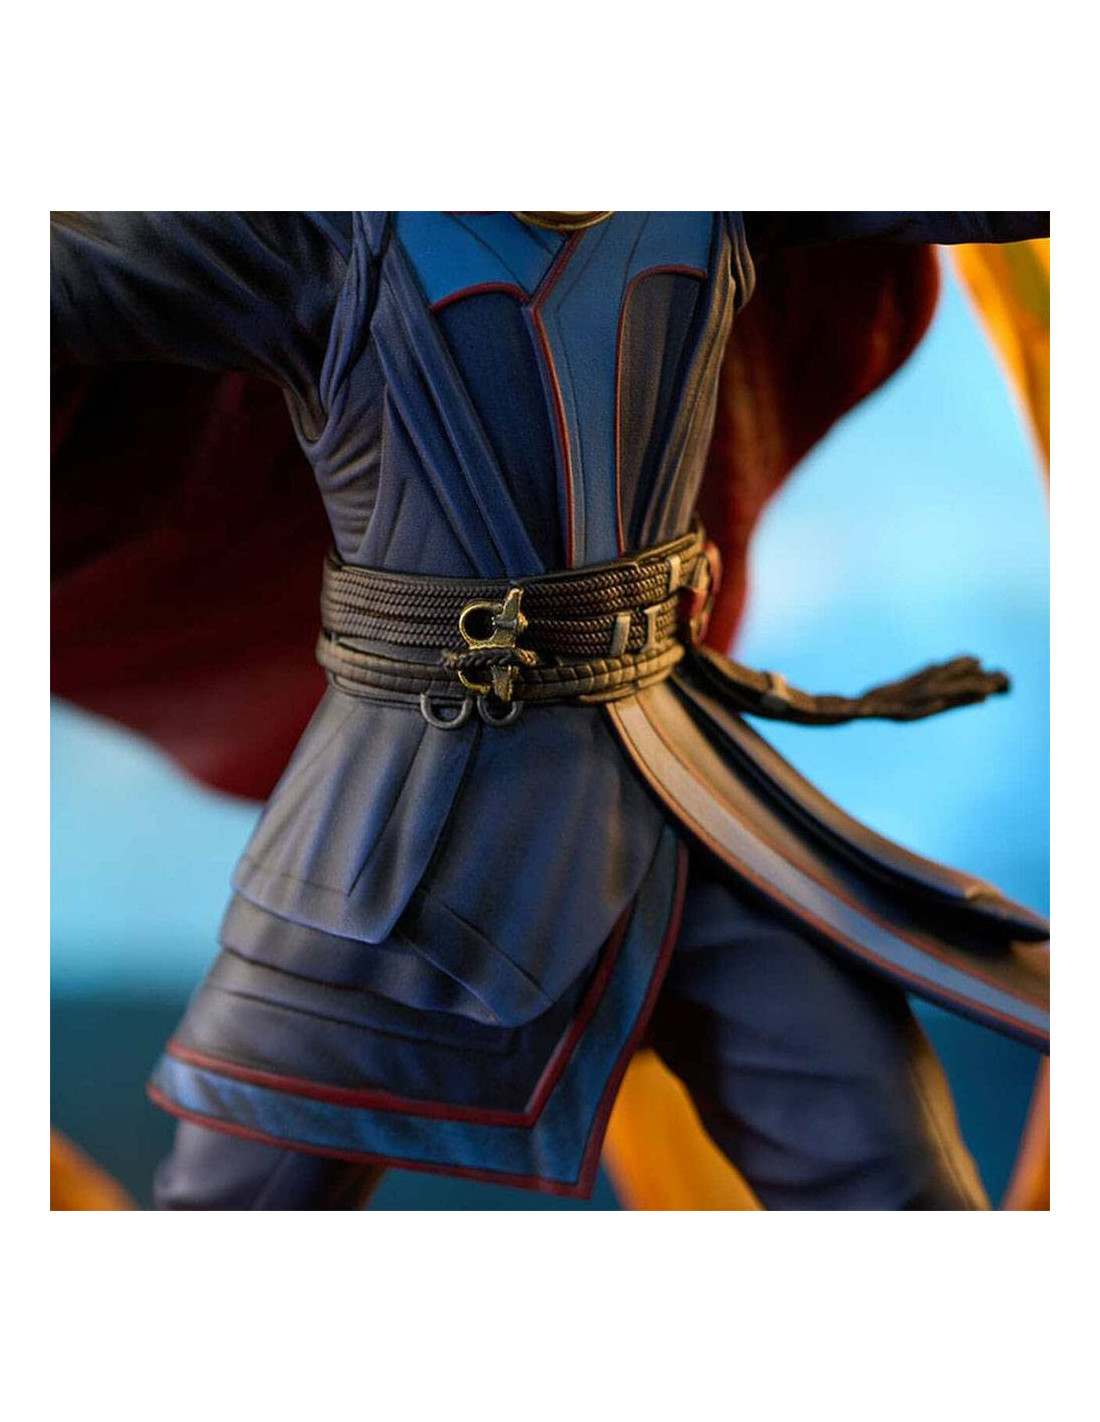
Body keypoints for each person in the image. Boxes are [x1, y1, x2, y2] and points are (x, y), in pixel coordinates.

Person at [51, 211, 1049, 1210]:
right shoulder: (329, 242)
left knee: (884, 1169)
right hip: (412, 843)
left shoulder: (693, 210)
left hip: (682, 799)